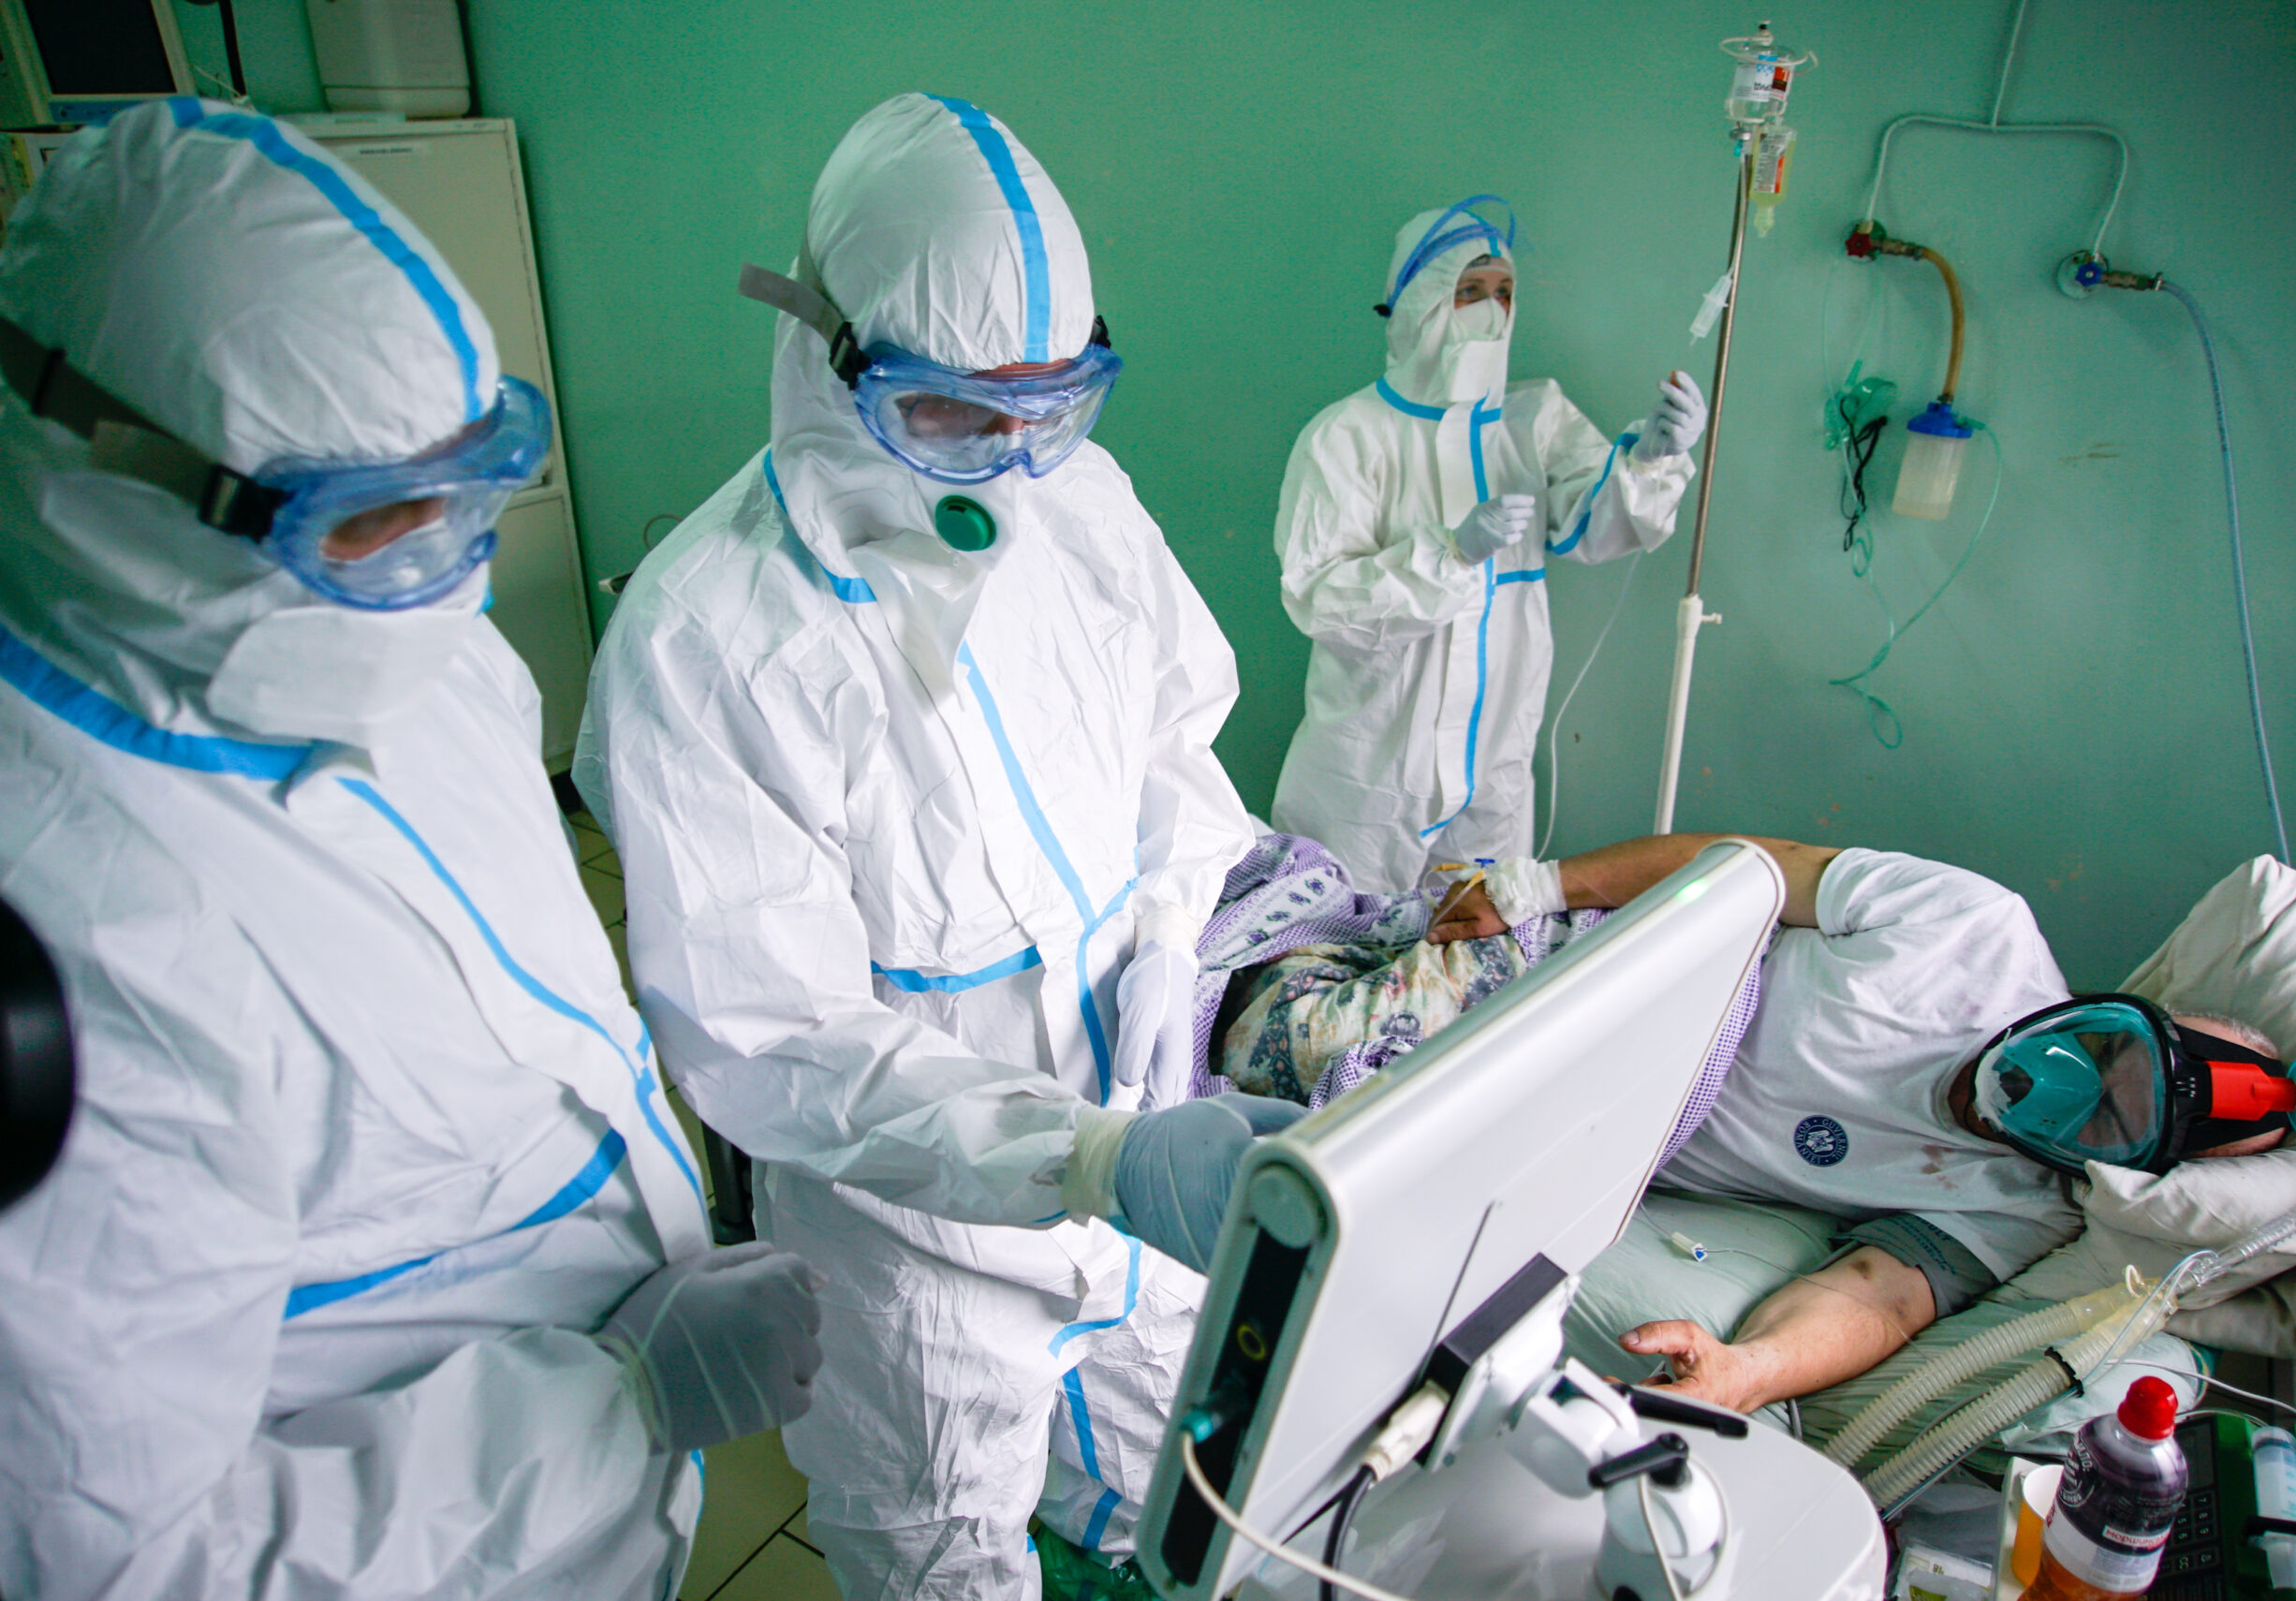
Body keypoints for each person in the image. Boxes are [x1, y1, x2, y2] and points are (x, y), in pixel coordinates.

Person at [0, 103, 822, 1601]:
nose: (456, 572)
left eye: (475, 496)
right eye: (381, 522)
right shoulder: (63, 939)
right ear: (114, 481)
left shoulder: (412, 650)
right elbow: (121, 1568)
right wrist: (611, 1407)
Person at [577, 94, 1288, 1598]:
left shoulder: (1081, 509)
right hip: (915, 1248)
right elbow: (774, 1031)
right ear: (825, 355)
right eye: (958, 412)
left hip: (1138, 1153)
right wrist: (1078, 1153)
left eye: (1059, 401)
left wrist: (1168, 933)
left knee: (1214, 1498)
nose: (1015, 458)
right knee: (941, 1558)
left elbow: (1177, 740)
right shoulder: (710, 634)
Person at [1394, 835, 2294, 1414]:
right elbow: (1745, 871)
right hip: (1574, 972)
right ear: (2114, 1009)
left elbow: (1878, 1296)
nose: (2056, 1087)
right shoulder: (1975, 930)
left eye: (2102, 1119)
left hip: (1575, 1117)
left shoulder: (2020, 1206)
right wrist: (1538, 885)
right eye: (2098, 1055)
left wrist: (1753, 1370)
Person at [1269, 198, 1707, 893]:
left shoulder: (1535, 420)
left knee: (1478, 935)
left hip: (1495, 761)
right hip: (1373, 770)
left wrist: (1650, 461)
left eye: (1505, 293)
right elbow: (1322, 601)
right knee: (1337, 934)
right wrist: (1449, 553)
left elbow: (1595, 528)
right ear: (1417, 302)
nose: (1491, 311)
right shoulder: (1347, 436)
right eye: (1469, 291)